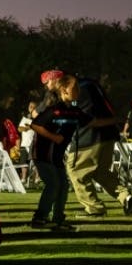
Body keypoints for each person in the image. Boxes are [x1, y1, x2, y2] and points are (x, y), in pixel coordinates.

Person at [59, 74, 132, 217]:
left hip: (88, 140)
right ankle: (125, 196)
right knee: (101, 172)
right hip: (107, 136)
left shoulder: (79, 94)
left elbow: (90, 121)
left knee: (76, 171)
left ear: (64, 87)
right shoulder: (91, 85)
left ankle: (94, 208)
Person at [29, 70, 81, 230]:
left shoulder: (68, 103)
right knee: (54, 184)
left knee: (62, 185)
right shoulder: (52, 99)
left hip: (55, 152)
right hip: (45, 151)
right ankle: (40, 218)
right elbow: (37, 117)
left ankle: (57, 219)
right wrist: (54, 135)